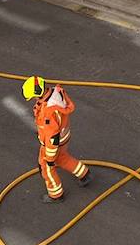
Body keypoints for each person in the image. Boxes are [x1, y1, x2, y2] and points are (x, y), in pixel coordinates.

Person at [23, 75, 90, 203]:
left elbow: (52, 138)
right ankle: (84, 174)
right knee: (63, 158)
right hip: (64, 137)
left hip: (54, 143)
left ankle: (56, 195)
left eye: (33, 97)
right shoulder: (55, 93)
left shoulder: (48, 113)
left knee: (47, 169)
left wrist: (49, 159)